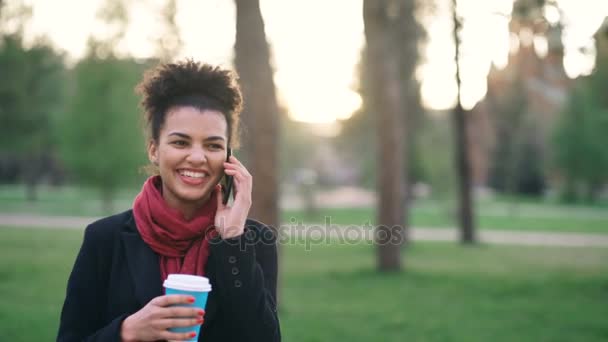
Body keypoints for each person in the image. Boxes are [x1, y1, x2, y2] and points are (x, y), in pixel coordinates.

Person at [57, 60, 281, 342]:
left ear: (228, 157)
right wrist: (126, 331)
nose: (197, 157)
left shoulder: (254, 241)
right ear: (154, 149)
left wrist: (232, 240)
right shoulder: (105, 239)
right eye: (180, 142)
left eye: (213, 145)